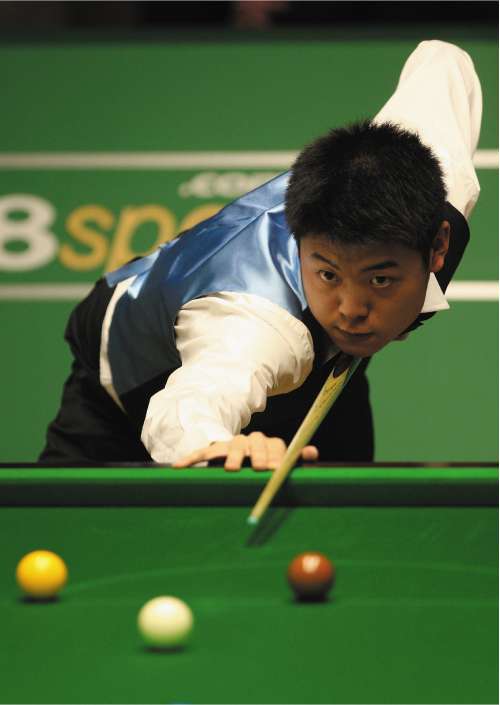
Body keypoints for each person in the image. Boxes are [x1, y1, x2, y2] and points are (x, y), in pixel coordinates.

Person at [39, 40, 482, 470]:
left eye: (379, 280)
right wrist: (214, 446)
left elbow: (443, 61)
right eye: (328, 275)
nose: (350, 311)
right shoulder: (256, 328)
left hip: (324, 371)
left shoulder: (440, 183)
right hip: (129, 382)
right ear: (300, 239)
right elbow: (187, 406)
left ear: (437, 246)